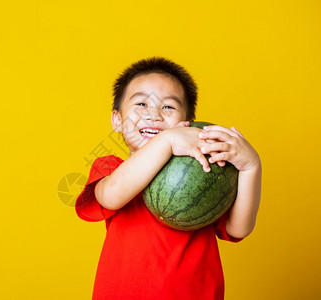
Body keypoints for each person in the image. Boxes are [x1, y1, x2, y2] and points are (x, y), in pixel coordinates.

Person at [75, 56, 261, 299]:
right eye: (141, 104)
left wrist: (250, 167)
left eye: (168, 107)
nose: (154, 115)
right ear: (117, 120)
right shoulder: (111, 168)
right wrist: (167, 140)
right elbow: (111, 196)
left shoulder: (206, 173)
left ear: (188, 123)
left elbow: (238, 228)